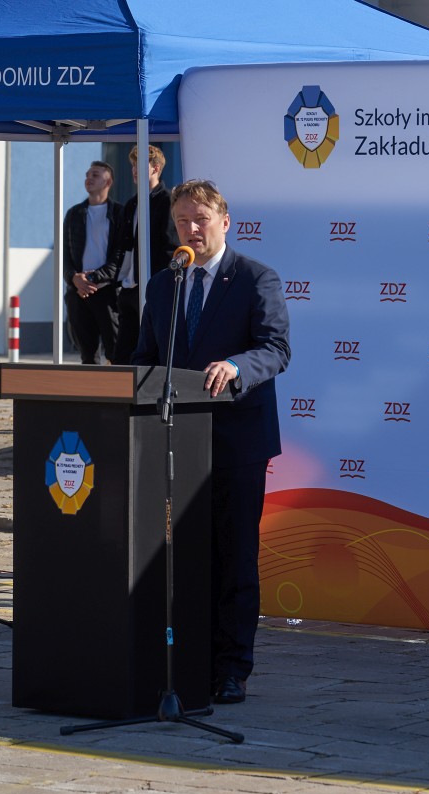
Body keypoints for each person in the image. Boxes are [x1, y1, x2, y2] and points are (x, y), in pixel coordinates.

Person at [131, 180, 291, 704]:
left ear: (225, 222)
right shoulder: (164, 284)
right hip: (174, 440)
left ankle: (231, 668)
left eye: (200, 219)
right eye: (182, 221)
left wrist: (236, 367)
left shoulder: (255, 278)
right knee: (185, 558)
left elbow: (275, 348)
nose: (191, 229)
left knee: (234, 555)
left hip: (236, 440)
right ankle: (188, 661)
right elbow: (145, 358)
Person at [113, 144, 178, 364]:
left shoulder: (167, 201)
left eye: (139, 165)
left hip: (152, 288)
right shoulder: (131, 204)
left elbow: (169, 247)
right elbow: (123, 248)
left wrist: (160, 285)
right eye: (132, 165)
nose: (133, 170)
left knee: (152, 350)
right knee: (123, 355)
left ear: (155, 168)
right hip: (129, 288)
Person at [63, 160, 124, 364]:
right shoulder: (74, 214)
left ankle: (114, 386)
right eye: (87, 175)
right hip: (78, 292)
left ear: (108, 182)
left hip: (107, 292)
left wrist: (93, 278)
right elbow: (65, 256)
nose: (89, 178)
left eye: (95, 175)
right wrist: (74, 279)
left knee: (115, 352)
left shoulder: (119, 213)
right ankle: (90, 387)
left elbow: (120, 256)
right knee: (87, 355)